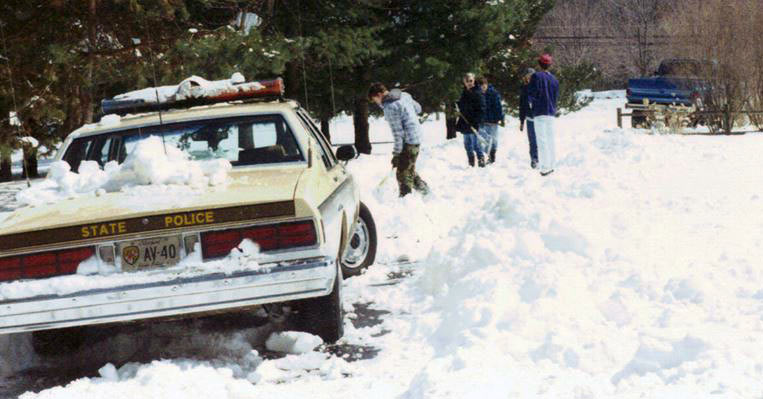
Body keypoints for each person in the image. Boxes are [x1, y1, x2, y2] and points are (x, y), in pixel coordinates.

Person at [368, 82, 429, 197]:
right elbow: (418, 109)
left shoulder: (390, 107)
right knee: (407, 168)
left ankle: (406, 201)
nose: (376, 103)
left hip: (409, 141)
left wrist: (396, 154)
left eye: (375, 99)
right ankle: (425, 192)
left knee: (403, 174)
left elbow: (398, 134)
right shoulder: (404, 95)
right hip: (417, 137)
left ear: (380, 94)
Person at [528, 54, 559, 176]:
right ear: (549, 65)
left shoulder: (536, 76)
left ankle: (545, 167)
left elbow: (532, 93)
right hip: (551, 111)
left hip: (539, 111)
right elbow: (556, 96)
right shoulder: (554, 79)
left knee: (542, 140)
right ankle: (551, 164)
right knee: (550, 139)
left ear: (539, 64)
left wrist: (532, 104)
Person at [456, 72, 486, 167]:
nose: (469, 83)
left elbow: (481, 109)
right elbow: (462, 105)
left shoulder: (478, 92)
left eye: (471, 81)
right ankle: (471, 161)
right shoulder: (464, 92)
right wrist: (457, 104)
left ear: (474, 81)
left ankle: (481, 160)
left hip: (474, 123)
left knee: (476, 144)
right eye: (467, 81)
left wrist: (475, 122)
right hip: (465, 122)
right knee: (467, 144)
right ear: (464, 82)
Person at [477, 76, 504, 164]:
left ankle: (492, 155)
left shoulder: (494, 93)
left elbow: (499, 107)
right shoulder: (477, 94)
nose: (483, 87)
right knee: (484, 139)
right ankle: (485, 156)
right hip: (482, 121)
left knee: (494, 139)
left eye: (484, 85)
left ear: (487, 85)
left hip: (493, 121)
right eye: (481, 86)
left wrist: (500, 118)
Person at [519, 68, 539, 169]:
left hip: (540, 118)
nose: (529, 78)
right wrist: (522, 121)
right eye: (527, 76)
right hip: (530, 119)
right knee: (532, 140)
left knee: (541, 139)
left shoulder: (540, 86)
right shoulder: (524, 88)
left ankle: (544, 158)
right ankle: (534, 159)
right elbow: (522, 105)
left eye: (531, 75)